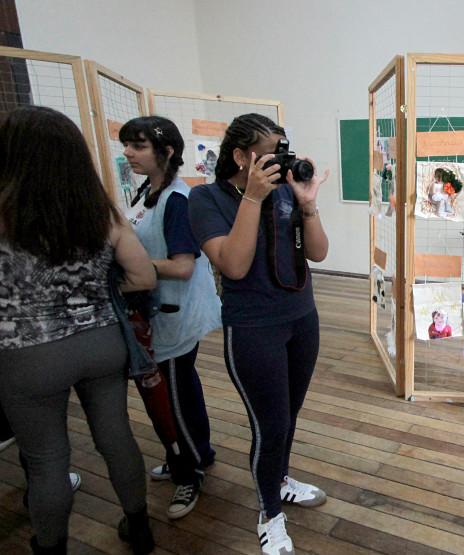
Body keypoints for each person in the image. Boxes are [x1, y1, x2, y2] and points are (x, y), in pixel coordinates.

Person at [0, 106, 156, 554]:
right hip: (102, 342)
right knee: (116, 436)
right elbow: (143, 278)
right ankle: (140, 527)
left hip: (28, 354)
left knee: (47, 461)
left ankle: (50, 547)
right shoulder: (99, 212)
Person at [188, 113, 330, 555]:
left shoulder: (288, 191)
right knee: (270, 426)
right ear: (239, 156)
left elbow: (320, 253)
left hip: (301, 319)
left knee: (288, 417)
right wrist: (252, 197)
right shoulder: (205, 199)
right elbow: (232, 264)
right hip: (252, 328)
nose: (280, 161)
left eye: (283, 150)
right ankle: (269, 513)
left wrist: (307, 204)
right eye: (271, 152)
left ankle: (281, 479)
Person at [120, 116, 222, 520]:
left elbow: (182, 266)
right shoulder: (150, 193)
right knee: (181, 390)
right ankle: (197, 454)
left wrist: (130, 263)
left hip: (174, 316)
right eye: (127, 144)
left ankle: (189, 472)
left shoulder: (177, 200)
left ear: (166, 153)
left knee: (175, 397)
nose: (128, 153)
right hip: (162, 315)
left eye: (139, 146)